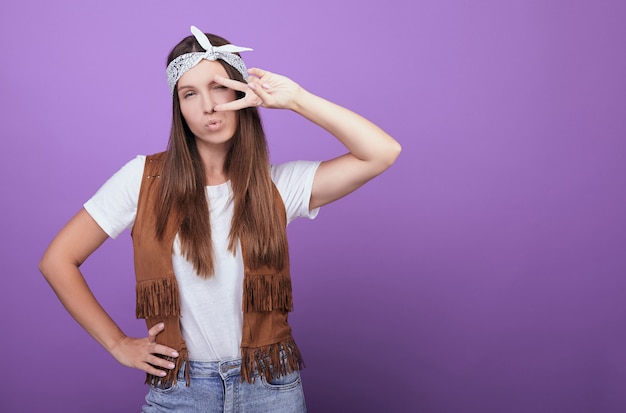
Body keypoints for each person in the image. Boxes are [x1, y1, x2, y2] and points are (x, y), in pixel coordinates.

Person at [39, 25, 401, 413]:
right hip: (181, 389)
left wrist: (296, 100)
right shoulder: (142, 180)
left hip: (270, 387)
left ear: (241, 91)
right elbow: (57, 261)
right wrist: (116, 343)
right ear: (178, 108)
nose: (207, 106)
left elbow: (381, 152)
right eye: (189, 94)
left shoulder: (276, 185)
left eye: (218, 87)